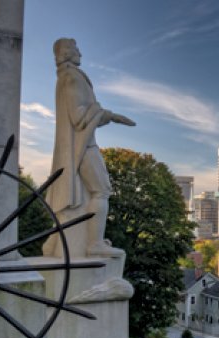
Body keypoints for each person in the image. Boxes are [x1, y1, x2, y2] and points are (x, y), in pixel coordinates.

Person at [45, 38, 135, 256]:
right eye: (76, 50)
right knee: (101, 191)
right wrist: (109, 115)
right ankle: (94, 244)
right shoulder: (72, 78)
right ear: (67, 52)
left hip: (79, 146)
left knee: (89, 195)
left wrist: (107, 115)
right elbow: (78, 116)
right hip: (83, 147)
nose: (81, 54)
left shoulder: (66, 77)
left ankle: (54, 242)